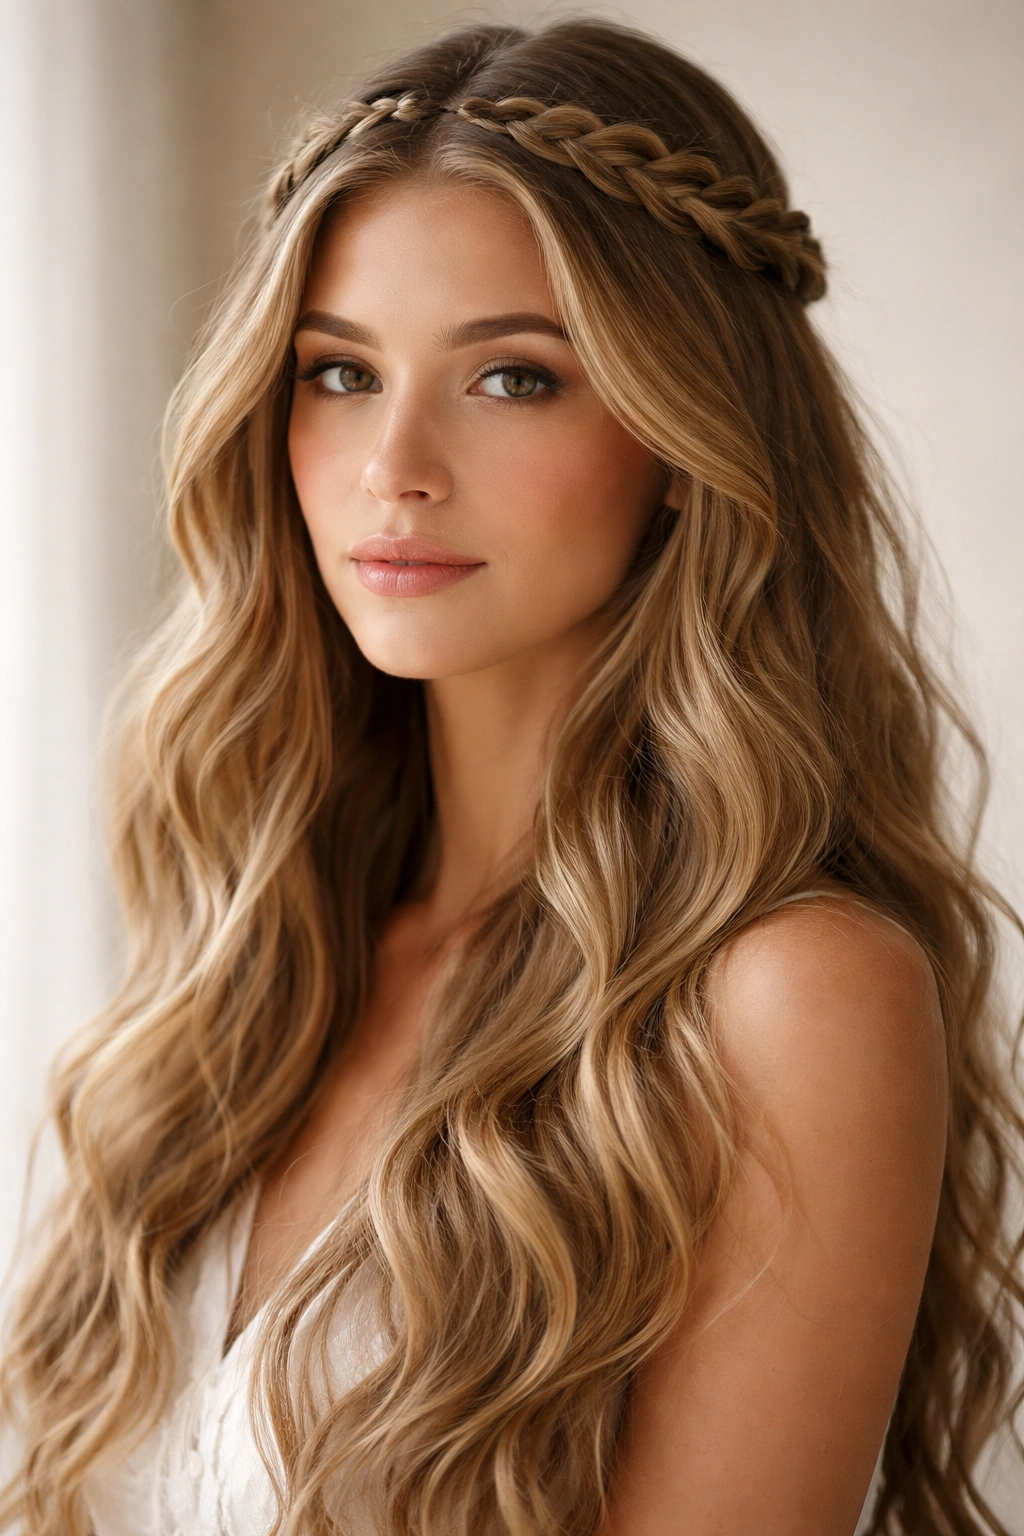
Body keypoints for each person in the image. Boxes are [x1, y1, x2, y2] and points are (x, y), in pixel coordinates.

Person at [2, 17, 1022, 1536]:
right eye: (339, 372)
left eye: (515, 381)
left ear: (688, 434)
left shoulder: (790, 998)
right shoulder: (257, 960)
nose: (390, 465)